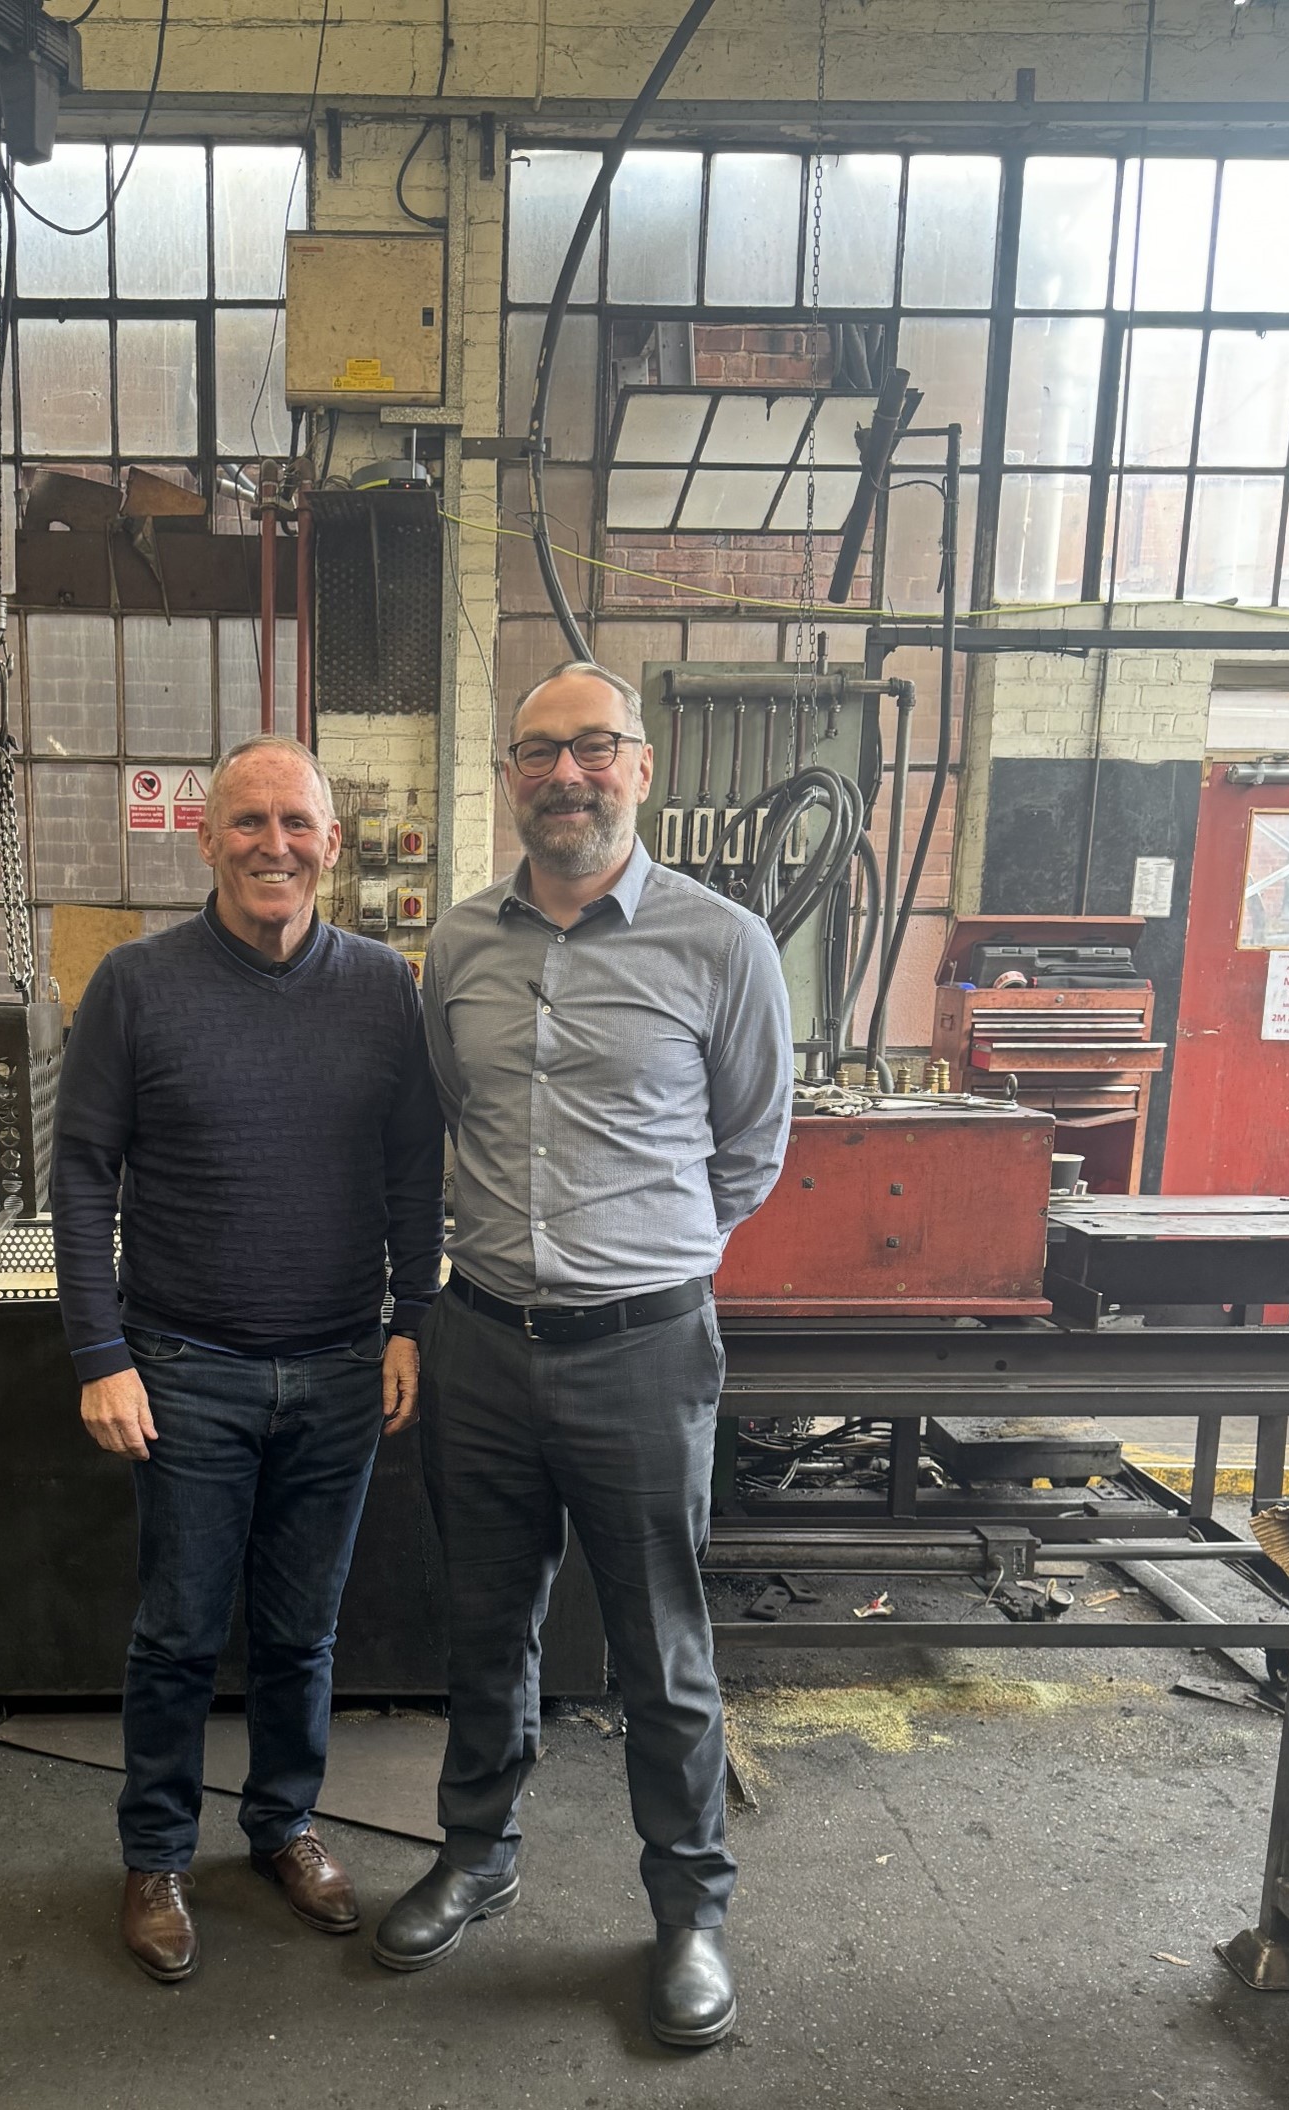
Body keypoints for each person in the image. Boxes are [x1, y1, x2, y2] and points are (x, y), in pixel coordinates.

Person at [372, 662, 792, 2049]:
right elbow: (448, 1114)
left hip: (643, 1350)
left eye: (593, 747)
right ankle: (477, 1851)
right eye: (540, 751)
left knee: (660, 1648)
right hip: (483, 1341)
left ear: (641, 764)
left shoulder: (722, 944)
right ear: (510, 773)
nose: (567, 773)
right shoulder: (458, 947)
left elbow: (749, 1148)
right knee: (485, 1625)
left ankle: (689, 1911)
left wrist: (642, 1256)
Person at [51, 733, 444, 1986]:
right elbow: (80, 1172)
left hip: (338, 1370)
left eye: (297, 823)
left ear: (333, 843)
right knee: (175, 1633)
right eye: (249, 821)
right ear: (206, 837)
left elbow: (410, 1175)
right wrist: (99, 1349)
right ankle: (157, 1854)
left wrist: (412, 1320)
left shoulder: (386, 986)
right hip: (184, 1369)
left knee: (300, 1631)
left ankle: (283, 1825)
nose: (274, 844)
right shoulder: (136, 984)